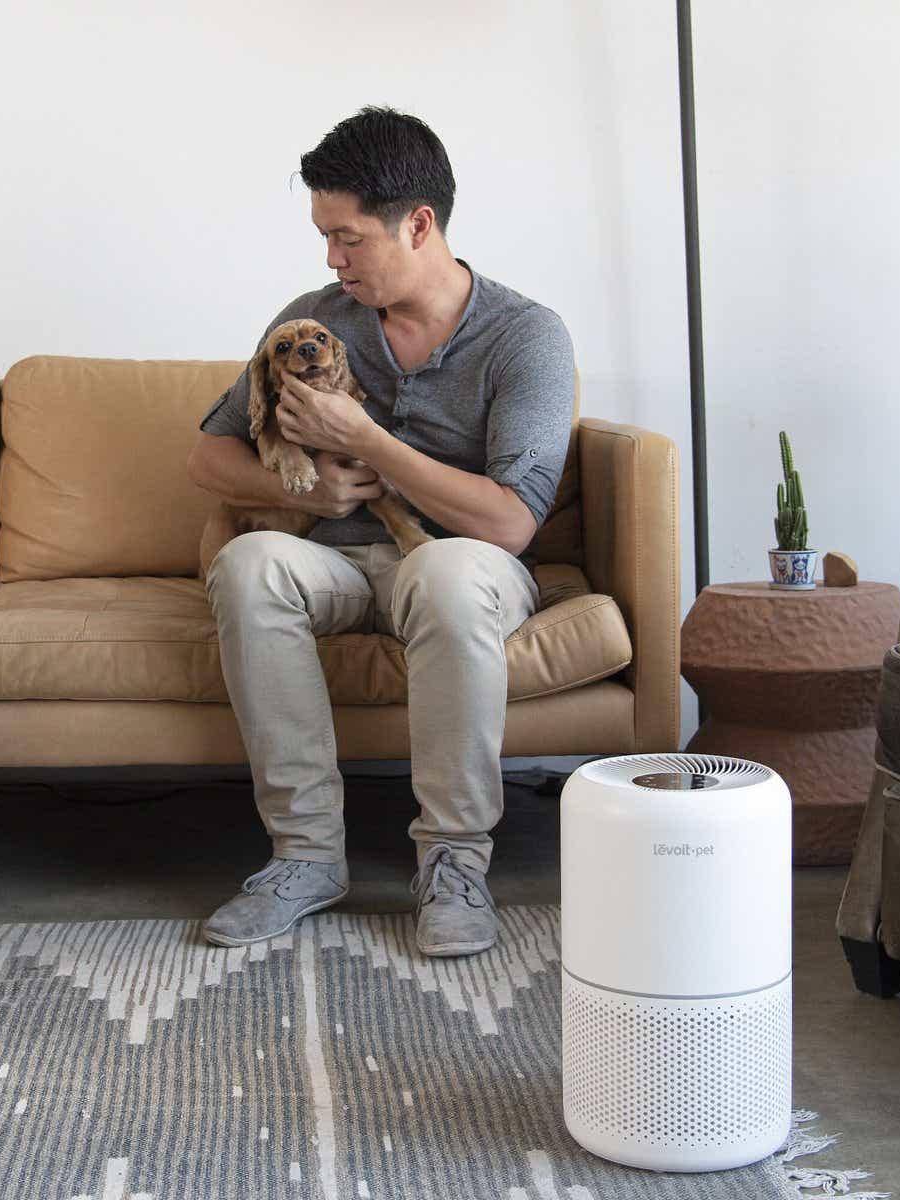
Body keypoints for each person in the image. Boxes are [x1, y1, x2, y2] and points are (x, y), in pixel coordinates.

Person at [187, 107, 575, 957]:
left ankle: (454, 866)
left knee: (443, 573)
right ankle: (304, 858)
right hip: (332, 564)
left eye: (348, 237)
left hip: (461, 567)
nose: (332, 258)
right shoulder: (313, 318)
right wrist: (311, 492)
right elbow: (207, 457)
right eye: (325, 237)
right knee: (250, 564)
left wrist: (367, 442)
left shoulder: (526, 338)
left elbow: (509, 520)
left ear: (419, 224)